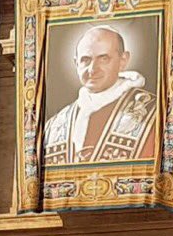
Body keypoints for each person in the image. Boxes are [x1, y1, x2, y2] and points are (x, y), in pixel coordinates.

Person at [43, 25, 157, 164]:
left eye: (103, 58)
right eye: (85, 60)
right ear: (76, 63)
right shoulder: (54, 125)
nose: (92, 69)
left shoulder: (155, 112)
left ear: (123, 60)